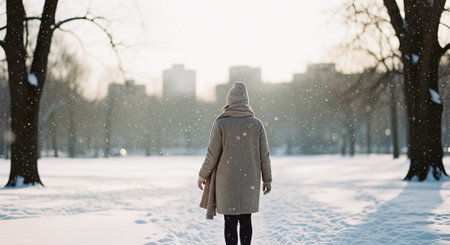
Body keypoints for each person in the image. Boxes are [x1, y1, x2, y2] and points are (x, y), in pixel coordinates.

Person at [198, 81, 272, 245]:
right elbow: (264, 156)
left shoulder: (221, 124)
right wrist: (267, 179)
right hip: (250, 181)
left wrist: (202, 175)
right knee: (246, 220)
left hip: (227, 182)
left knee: (230, 222)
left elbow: (212, 155)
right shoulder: (256, 125)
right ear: (246, 102)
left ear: (229, 102)